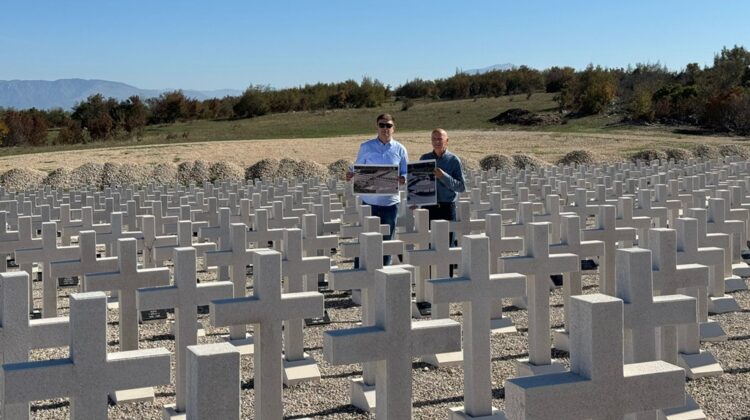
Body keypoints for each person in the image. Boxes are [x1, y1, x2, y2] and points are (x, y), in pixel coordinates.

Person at [347, 113, 407, 265]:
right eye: (382, 125)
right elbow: (357, 168)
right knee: (365, 239)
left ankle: (384, 275)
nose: (385, 128)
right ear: (377, 126)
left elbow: (406, 171)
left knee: (386, 242)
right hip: (369, 202)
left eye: (388, 125)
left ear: (394, 128)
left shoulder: (400, 149)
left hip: (390, 203)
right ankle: (360, 275)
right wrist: (351, 174)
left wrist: (403, 178)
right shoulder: (366, 147)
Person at [419, 128, 465, 246]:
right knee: (429, 244)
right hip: (428, 207)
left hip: (446, 207)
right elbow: (418, 182)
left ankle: (450, 265)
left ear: (447, 140)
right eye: (434, 139)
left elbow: (461, 187)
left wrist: (443, 176)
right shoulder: (424, 159)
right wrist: (415, 199)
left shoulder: (454, 160)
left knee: (447, 244)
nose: (437, 142)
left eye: (440, 139)